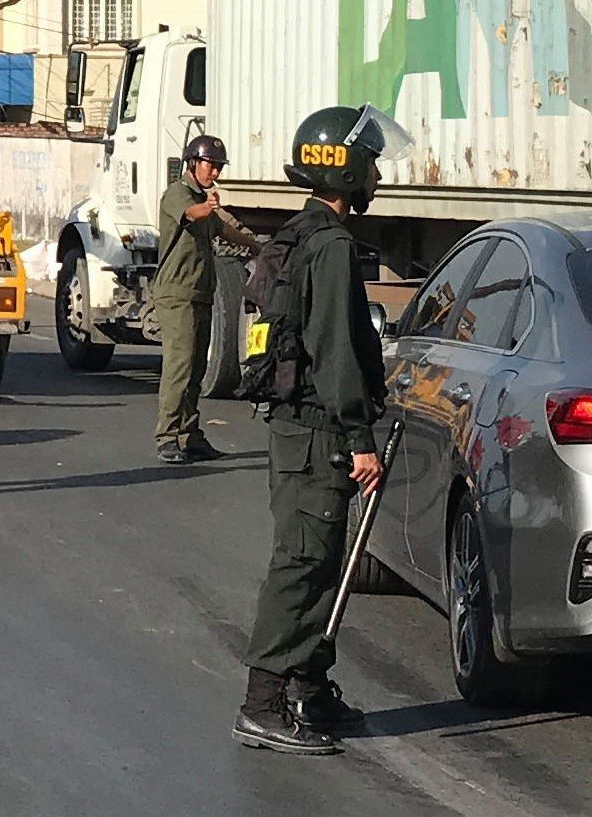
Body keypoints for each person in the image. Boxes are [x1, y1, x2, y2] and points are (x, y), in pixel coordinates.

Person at [234, 105, 402, 756]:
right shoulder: (330, 245)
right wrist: (360, 438)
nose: (379, 174)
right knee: (303, 562)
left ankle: (308, 684)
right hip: (319, 431)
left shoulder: (302, 232)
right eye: (374, 161)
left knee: (325, 558)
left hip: (300, 427)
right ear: (350, 166)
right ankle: (264, 701)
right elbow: (334, 350)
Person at [150, 134, 263, 464]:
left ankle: (189, 433)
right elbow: (192, 213)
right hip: (176, 293)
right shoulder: (178, 194)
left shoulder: (203, 199)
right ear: (192, 163)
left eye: (217, 167)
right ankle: (167, 436)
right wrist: (208, 206)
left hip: (199, 291)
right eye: (210, 165)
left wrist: (256, 246)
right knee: (179, 366)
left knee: (197, 367)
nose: (214, 172)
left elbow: (223, 230)